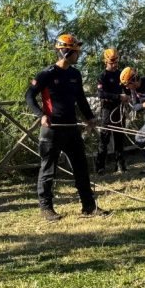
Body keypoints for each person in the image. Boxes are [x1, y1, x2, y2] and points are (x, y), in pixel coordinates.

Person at [26, 33, 108, 221]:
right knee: (48, 169)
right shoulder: (47, 74)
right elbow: (29, 96)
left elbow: (80, 99)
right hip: (52, 129)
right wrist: (42, 115)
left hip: (72, 129)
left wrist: (89, 118)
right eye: (76, 52)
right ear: (65, 52)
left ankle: (89, 206)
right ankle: (46, 208)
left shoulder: (75, 74)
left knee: (81, 167)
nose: (78, 56)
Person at [95, 48, 129, 174]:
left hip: (119, 109)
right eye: (111, 62)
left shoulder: (121, 75)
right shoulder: (102, 76)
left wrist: (126, 96)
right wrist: (118, 97)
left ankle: (120, 165)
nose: (114, 65)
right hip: (108, 110)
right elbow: (101, 94)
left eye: (116, 62)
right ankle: (100, 167)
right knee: (104, 138)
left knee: (119, 138)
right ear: (106, 62)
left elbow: (127, 89)